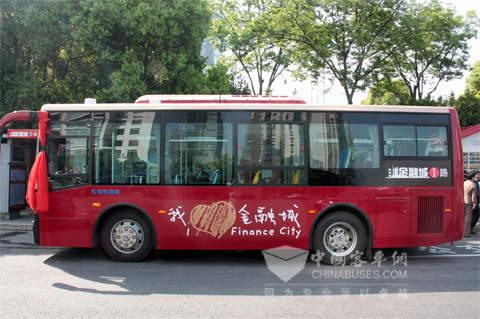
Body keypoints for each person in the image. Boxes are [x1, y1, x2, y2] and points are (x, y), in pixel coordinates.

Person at [464, 171, 478, 237]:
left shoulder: (464, 183)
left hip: (463, 201)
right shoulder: (473, 184)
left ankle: (462, 231)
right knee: (468, 218)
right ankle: (466, 233)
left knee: (463, 217)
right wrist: (474, 203)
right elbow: (473, 196)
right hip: (469, 202)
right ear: (472, 177)